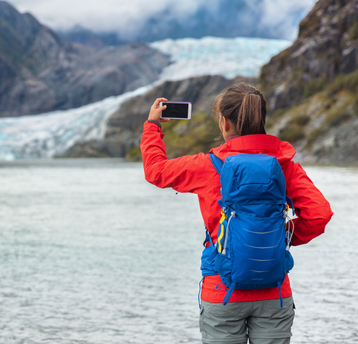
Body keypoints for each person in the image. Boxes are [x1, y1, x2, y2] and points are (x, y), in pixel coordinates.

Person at [140, 83, 333, 344]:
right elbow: (319, 214)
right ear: (261, 119)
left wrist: (153, 126)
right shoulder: (284, 165)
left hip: (222, 290)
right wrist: (276, 239)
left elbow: (155, 171)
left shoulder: (207, 166)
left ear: (224, 122)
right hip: (273, 290)